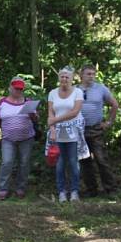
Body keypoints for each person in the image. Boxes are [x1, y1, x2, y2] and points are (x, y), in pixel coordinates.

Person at [47, 67, 88, 203]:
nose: (64, 79)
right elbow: (50, 113)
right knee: (60, 163)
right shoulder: (52, 93)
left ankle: (75, 191)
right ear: (59, 78)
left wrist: (55, 120)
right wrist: (52, 129)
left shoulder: (78, 92)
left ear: (72, 79)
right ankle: (62, 192)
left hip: (74, 131)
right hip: (57, 132)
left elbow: (75, 112)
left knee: (73, 162)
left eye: (67, 77)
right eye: (62, 76)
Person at [0, 77, 37, 200]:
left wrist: (32, 114)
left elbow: (35, 120)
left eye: (20, 89)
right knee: (7, 162)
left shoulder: (28, 102)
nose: (18, 91)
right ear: (10, 88)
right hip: (8, 139)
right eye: (16, 88)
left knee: (24, 163)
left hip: (26, 138)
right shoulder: (2, 102)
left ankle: (20, 188)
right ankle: (3, 189)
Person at [78, 65, 119, 197]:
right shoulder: (75, 90)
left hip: (96, 129)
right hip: (80, 130)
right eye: (88, 74)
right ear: (81, 75)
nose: (91, 76)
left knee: (102, 160)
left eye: (93, 74)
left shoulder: (101, 88)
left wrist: (108, 122)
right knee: (85, 161)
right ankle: (91, 190)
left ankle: (111, 189)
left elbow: (114, 104)